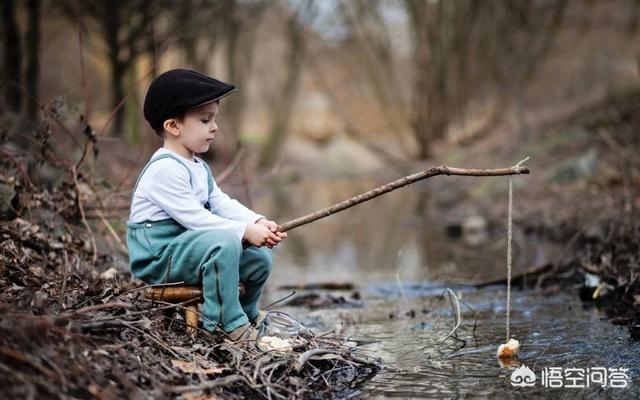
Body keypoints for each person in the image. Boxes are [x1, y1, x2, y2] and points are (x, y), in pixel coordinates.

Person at [126, 69, 286, 340]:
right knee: (224, 243)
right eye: (204, 120)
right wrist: (244, 232)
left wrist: (256, 221)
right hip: (160, 257)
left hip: (187, 249)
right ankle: (227, 324)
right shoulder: (164, 169)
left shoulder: (197, 166)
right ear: (173, 126)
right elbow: (196, 219)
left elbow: (221, 202)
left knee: (259, 259)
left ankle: (247, 315)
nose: (214, 127)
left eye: (214, 119)